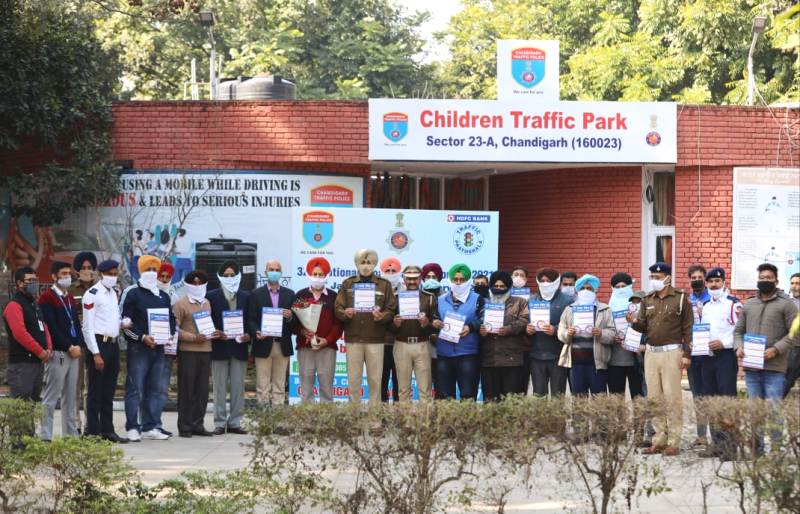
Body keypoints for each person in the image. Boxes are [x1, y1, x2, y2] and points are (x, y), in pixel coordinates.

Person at [630, 262, 692, 456]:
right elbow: (642, 326)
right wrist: (633, 322)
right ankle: (659, 440)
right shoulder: (647, 299)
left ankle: (674, 441)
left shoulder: (681, 299)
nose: (654, 280)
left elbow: (688, 329)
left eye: (658, 277)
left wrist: (687, 354)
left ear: (668, 278)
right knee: (654, 398)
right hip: (651, 352)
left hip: (672, 353)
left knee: (672, 397)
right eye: (652, 277)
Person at [734, 263, 797, 453]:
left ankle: (777, 451)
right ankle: (757, 449)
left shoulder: (787, 304)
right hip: (752, 369)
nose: (765, 281)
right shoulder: (750, 304)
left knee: (774, 411)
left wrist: (776, 350)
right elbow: (738, 331)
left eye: (769, 278)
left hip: (775, 369)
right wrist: (739, 347)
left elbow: (795, 334)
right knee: (755, 412)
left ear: (776, 281)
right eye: (762, 278)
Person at [121, 255, 176, 442]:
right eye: (148, 270)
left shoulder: (163, 296)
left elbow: (172, 319)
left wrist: (170, 334)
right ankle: (132, 426)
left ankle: (150, 425)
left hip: (159, 348)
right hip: (139, 348)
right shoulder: (132, 293)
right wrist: (142, 337)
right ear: (140, 271)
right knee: (135, 388)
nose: (152, 273)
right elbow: (125, 322)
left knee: (154, 388)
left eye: (155, 270)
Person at [335, 249, 396, 405]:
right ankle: (353, 417)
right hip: (353, 339)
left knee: (375, 381)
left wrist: (382, 316)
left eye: (369, 262)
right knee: (353, 381)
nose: (366, 266)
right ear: (356, 264)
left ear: (374, 264)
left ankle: (374, 419)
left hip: (375, 339)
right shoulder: (348, 284)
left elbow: (391, 309)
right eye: (362, 262)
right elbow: (338, 307)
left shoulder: (384, 285)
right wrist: (345, 312)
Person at [81, 260, 128, 443]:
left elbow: (110, 319)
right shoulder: (91, 294)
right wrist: (95, 353)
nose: (113, 276)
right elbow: (87, 327)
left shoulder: (113, 293)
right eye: (109, 273)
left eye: (115, 273)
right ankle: (93, 432)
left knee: (109, 391)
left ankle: (108, 430)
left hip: (113, 345)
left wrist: (122, 323)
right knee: (95, 392)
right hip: (98, 345)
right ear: (100, 274)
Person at [697, 267, 740, 461]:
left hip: (725, 358)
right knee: (711, 401)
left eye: (717, 281)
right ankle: (716, 445)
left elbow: (740, 330)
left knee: (727, 402)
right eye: (710, 282)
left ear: (724, 282)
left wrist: (725, 343)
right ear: (706, 284)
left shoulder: (733, 304)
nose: (714, 285)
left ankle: (730, 447)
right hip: (707, 357)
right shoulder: (705, 306)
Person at [3, 267, 52, 436]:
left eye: (35, 280)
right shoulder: (14, 305)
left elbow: (44, 328)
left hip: (37, 363)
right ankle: (19, 446)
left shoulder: (34, 305)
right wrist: (40, 351)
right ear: (19, 284)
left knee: (31, 405)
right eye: (29, 281)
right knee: (21, 407)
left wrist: (48, 349)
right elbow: (20, 333)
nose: (34, 284)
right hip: (21, 365)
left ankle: (29, 443)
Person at [38, 261, 83, 441]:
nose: (67, 277)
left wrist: (78, 344)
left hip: (74, 352)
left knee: (70, 397)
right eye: (63, 274)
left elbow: (76, 324)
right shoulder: (46, 298)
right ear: (54, 276)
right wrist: (68, 346)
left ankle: (70, 435)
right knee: (50, 397)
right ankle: (46, 436)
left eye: (68, 273)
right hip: (59, 353)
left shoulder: (69, 297)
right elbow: (50, 328)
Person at [292, 257, 343, 403]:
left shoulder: (334, 296)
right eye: (315, 274)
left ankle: (325, 422)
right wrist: (302, 331)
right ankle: (307, 421)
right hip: (305, 347)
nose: (318, 277)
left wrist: (327, 340)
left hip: (327, 348)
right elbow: (293, 321)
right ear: (308, 274)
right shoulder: (301, 295)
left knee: (327, 388)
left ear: (326, 275)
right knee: (306, 388)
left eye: (321, 274)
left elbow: (338, 324)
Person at [173, 270, 217, 437]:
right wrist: (193, 338)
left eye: (200, 283)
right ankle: (184, 426)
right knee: (186, 390)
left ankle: (198, 424)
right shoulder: (180, 304)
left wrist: (215, 333)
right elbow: (174, 329)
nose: (197, 286)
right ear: (188, 285)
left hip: (206, 351)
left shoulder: (206, 303)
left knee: (202, 391)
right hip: (188, 352)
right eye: (194, 283)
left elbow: (208, 326)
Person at [208, 261, 250, 435]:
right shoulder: (211, 296)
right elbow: (205, 321)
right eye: (226, 275)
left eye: (232, 275)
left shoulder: (246, 297)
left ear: (238, 276)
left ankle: (235, 422)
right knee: (218, 387)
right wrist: (214, 332)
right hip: (219, 347)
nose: (229, 278)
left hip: (239, 347)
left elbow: (251, 320)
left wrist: (249, 334)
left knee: (238, 387)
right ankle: (219, 421)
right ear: (220, 276)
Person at [431, 263, 483, 401]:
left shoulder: (477, 299)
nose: (458, 283)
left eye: (462, 280)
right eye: (455, 279)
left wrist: (470, 327)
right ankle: (448, 423)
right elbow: (434, 317)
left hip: (468, 353)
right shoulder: (441, 299)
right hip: (444, 353)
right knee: (445, 395)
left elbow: (485, 319)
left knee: (468, 394)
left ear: (468, 281)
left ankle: (466, 423)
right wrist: (435, 322)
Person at [557, 274, 615, 395]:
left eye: (589, 289)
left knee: (599, 403)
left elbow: (612, 334)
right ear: (577, 290)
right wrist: (568, 333)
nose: (585, 291)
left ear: (595, 290)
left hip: (597, 363)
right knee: (579, 403)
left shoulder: (605, 309)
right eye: (583, 288)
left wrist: (601, 333)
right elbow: (560, 333)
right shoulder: (569, 309)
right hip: (576, 364)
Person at [249, 259, 295, 407]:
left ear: (281, 273)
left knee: (280, 385)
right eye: (271, 269)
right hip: (263, 343)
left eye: (277, 270)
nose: (274, 272)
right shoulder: (256, 294)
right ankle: (264, 419)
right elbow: (250, 319)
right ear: (265, 272)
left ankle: (278, 416)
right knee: (262, 384)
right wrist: (256, 331)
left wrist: (290, 317)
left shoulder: (289, 294)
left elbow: (295, 323)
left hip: (282, 345)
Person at [478, 271, 529, 401]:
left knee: (511, 401)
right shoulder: (484, 303)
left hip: (511, 359)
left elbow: (524, 321)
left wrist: (509, 329)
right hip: (489, 359)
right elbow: (476, 321)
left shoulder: (520, 302)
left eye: (502, 286)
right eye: (496, 286)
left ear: (508, 287)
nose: (499, 289)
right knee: (490, 401)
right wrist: (481, 331)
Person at [389, 264, 436, 403]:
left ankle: (425, 423)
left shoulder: (430, 298)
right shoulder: (395, 298)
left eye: (415, 278)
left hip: (422, 344)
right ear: (403, 279)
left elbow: (436, 325)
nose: (411, 282)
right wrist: (395, 324)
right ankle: (405, 423)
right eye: (408, 278)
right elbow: (388, 326)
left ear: (421, 278)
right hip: (401, 344)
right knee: (403, 390)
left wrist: (426, 323)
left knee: (425, 388)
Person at [526, 267, 571, 397]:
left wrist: (555, 329)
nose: (545, 283)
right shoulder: (531, 300)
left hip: (558, 355)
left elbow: (572, 326)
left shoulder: (567, 301)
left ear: (556, 282)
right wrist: (527, 329)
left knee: (558, 395)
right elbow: (524, 321)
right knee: (539, 395)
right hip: (536, 354)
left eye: (549, 281)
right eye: (542, 280)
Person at [69, 250, 97, 434]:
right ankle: (75, 424)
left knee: (90, 386)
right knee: (74, 385)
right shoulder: (70, 290)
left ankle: (90, 424)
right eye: (83, 268)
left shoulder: (100, 289)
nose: (87, 271)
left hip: (94, 344)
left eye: (89, 267)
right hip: (76, 343)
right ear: (77, 271)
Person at [606, 272, 644, 399]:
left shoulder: (640, 306)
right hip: (614, 360)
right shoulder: (607, 308)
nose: (621, 289)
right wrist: (612, 337)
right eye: (617, 287)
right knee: (616, 400)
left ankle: (639, 420)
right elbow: (605, 330)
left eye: (624, 286)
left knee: (639, 399)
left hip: (636, 360)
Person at [687, 264, 710, 447]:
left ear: (705, 278)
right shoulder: (686, 300)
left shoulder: (713, 297)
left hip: (711, 354)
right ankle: (701, 435)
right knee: (698, 395)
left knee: (712, 394)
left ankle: (718, 435)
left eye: (699, 277)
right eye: (693, 278)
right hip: (693, 353)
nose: (696, 280)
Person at [153, 261, 177, 437]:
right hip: (149, 346)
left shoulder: (174, 296)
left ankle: (157, 422)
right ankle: (145, 423)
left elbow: (176, 323)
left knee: (162, 388)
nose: (164, 279)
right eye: (161, 276)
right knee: (147, 387)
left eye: (168, 277)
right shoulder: (149, 293)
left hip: (167, 349)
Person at [379, 257, 402, 402]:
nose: (390, 273)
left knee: (399, 382)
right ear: (381, 272)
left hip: (400, 343)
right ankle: (381, 417)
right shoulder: (376, 291)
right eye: (387, 270)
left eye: (394, 270)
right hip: (380, 343)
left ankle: (398, 416)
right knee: (380, 381)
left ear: (399, 272)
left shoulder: (407, 291)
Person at [422, 262, 444, 396]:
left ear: (439, 279)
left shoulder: (446, 297)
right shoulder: (417, 297)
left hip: (441, 345)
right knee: (424, 382)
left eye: (434, 277)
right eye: (428, 276)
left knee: (440, 381)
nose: (431, 279)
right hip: (423, 344)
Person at [783, 272, 800, 397]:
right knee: (788, 378)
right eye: (793, 283)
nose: (795, 286)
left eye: (798, 283)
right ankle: (773, 406)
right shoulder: (785, 301)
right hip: (793, 347)